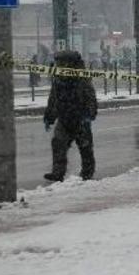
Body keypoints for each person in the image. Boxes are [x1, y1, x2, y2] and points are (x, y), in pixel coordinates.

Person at [43, 51, 98, 182]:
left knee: (85, 148)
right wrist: (49, 116)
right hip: (64, 118)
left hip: (80, 118)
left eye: (62, 63)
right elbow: (53, 98)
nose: (60, 65)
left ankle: (87, 173)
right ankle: (58, 173)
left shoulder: (81, 78)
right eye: (58, 63)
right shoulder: (58, 79)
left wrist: (89, 115)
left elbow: (90, 97)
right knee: (58, 144)